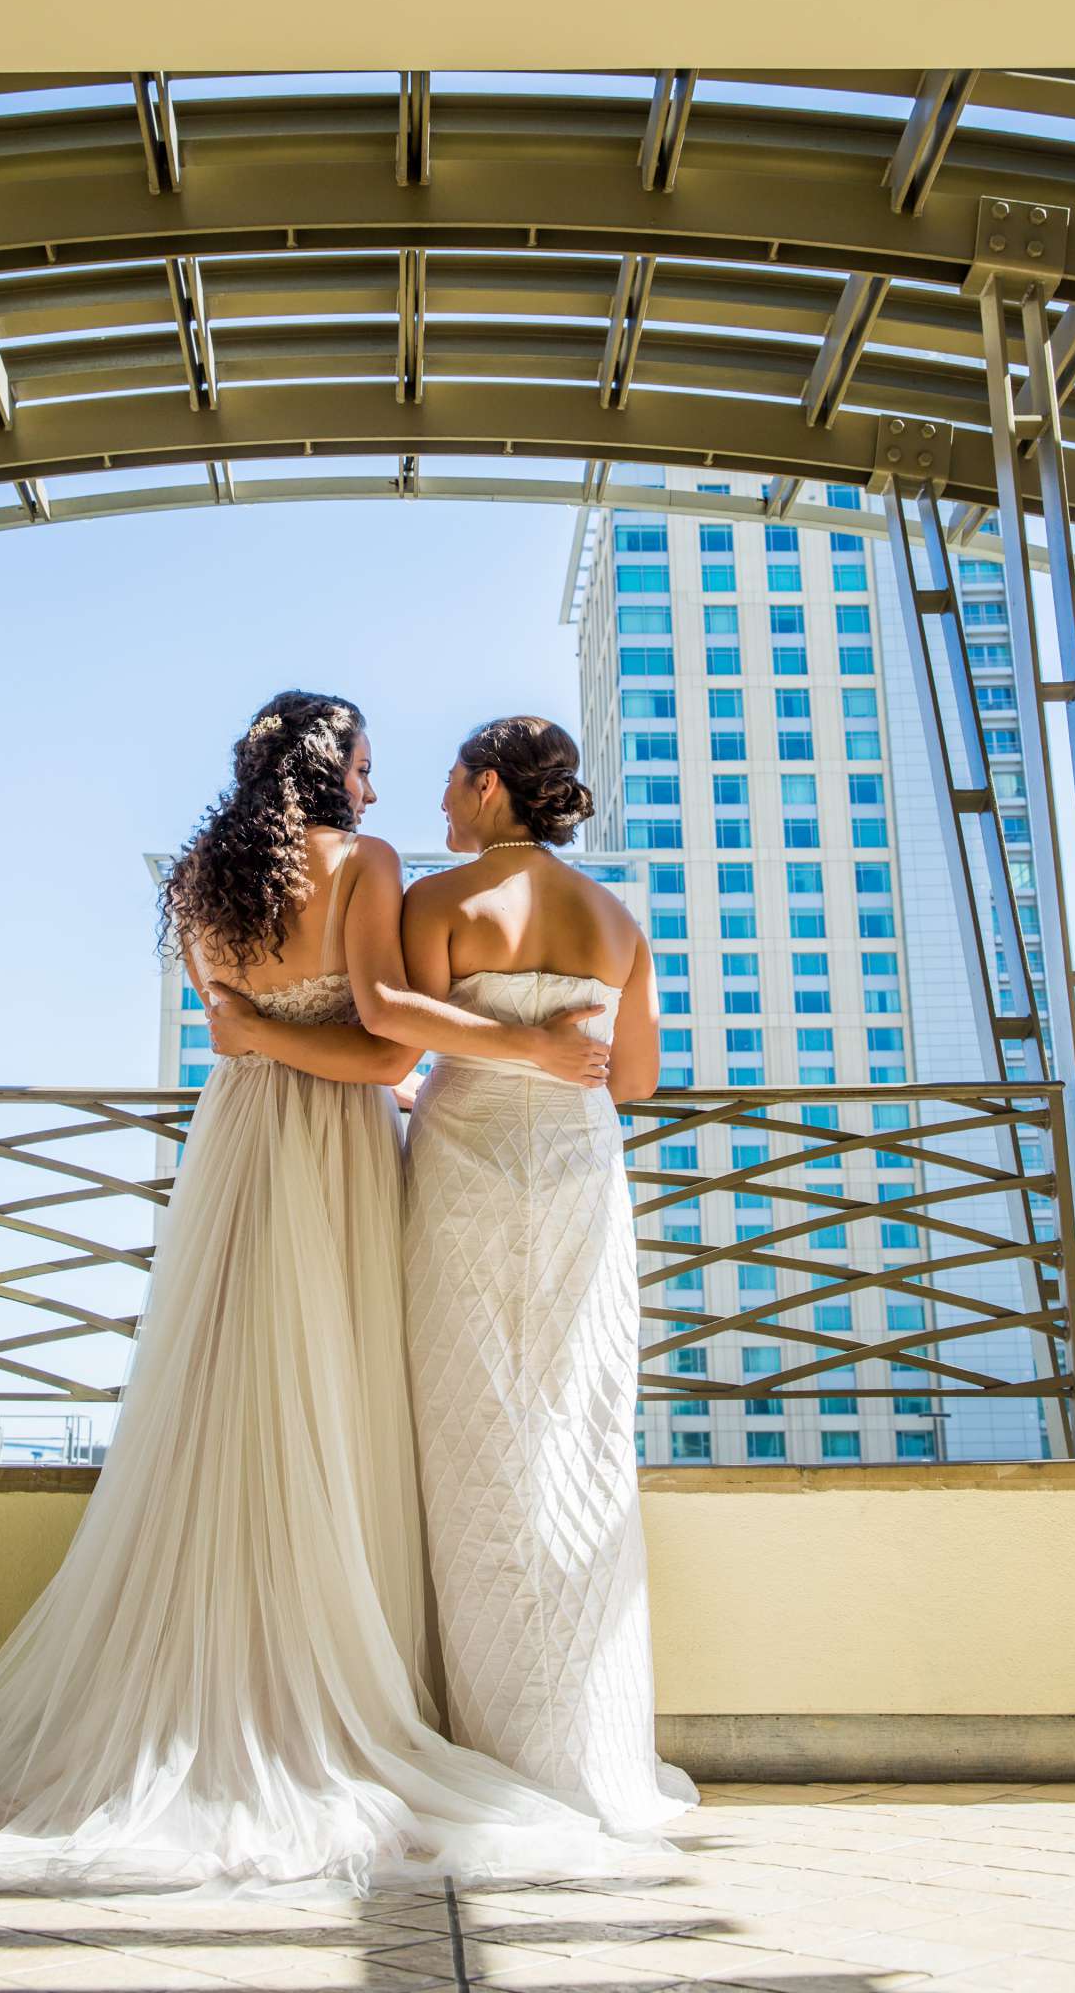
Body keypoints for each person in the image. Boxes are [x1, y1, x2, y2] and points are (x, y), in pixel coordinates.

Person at [0, 691, 686, 1897]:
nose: (395, 792)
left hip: (256, 1145)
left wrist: (255, 1033)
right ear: (334, 772)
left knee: (260, 1395)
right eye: (374, 766)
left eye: (424, 771)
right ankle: (495, 1722)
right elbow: (504, 1061)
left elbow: (303, 1028)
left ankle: (255, 1689)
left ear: (488, 786)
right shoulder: (450, 882)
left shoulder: (214, 884)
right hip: (459, 1158)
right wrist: (540, 1048)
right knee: (443, 1412)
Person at [214, 715, 699, 1839]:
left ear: (488, 787)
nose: (431, 804)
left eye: (445, 783)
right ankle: (587, 1747)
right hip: (580, 1181)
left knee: (468, 1432)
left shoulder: (436, 902)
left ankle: (478, 1735)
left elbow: (392, 1027)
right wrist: (549, 1048)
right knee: (577, 1430)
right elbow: (632, 1080)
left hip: (466, 1174)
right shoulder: (620, 922)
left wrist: (495, 1044)